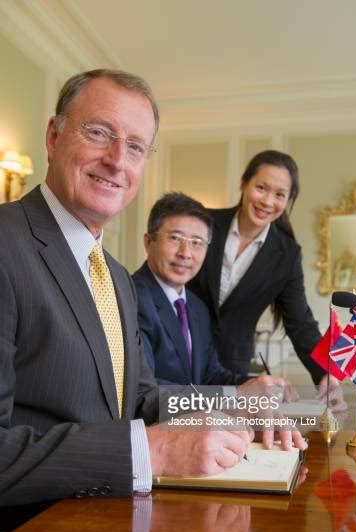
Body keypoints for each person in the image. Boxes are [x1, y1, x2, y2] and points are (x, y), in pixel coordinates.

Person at [0, 69, 252, 509]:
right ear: (54, 136)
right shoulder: (7, 242)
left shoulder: (115, 276)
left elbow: (135, 395)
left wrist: (233, 412)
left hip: (108, 530)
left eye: (135, 147)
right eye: (98, 133)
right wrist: (154, 450)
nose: (117, 160)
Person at [132, 192, 307, 452]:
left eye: (197, 242)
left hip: (200, 437)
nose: (185, 253)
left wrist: (258, 384)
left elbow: (211, 374)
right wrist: (237, 397)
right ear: (149, 242)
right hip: (154, 445)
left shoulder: (197, 307)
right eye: (175, 238)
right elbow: (144, 395)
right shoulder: (131, 298)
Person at [188, 150, 336, 390]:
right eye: (261, 188)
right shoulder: (205, 223)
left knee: (223, 427)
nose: (268, 201)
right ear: (244, 184)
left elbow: (300, 322)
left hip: (230, 366)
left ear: (288, 200)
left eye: (280, 194)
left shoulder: (287, 255)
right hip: (178, 350)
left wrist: (324, 373)